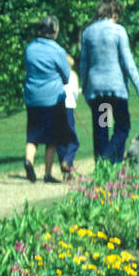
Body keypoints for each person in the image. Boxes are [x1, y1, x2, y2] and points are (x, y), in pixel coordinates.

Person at [79, 0, 139, 163]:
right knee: (122, 126)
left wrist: (85, 87)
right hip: (116, 89)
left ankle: (106, 169)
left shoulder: (87, 32)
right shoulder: (118, 31)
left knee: (102, 128)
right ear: (113, 13)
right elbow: (128, 63)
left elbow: (83, 64)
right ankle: (107, 157)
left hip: (97, 91)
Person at [22, 16, 70, 184]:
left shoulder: (30, 49)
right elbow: (66, 76)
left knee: (33, 135)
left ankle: (29, 160)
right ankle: (48, 174)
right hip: (52, 98)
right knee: (52, 138)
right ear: (54, 31)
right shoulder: (57, 50)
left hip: (32, 97)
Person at [57, 53, 81, 181]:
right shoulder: (73, 75)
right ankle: (67, 161)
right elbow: (75, 93)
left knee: (61, 140)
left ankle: (66, 170)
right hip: (69, 107)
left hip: (57, 107)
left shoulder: (56, 75)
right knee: (73, 140)